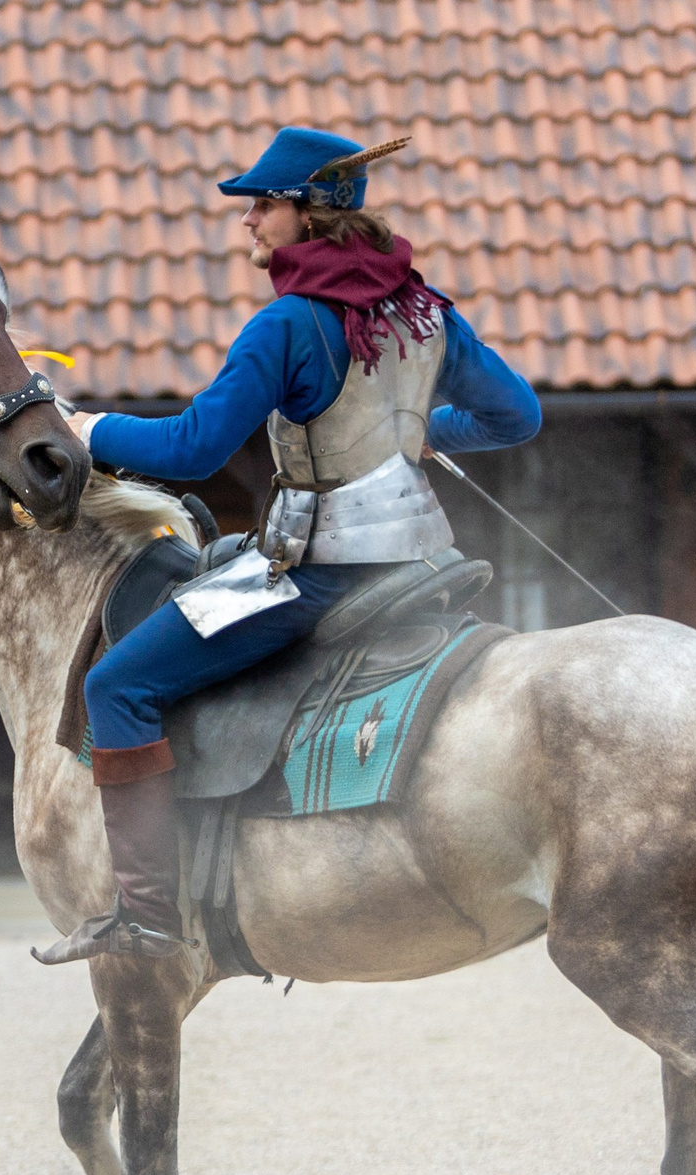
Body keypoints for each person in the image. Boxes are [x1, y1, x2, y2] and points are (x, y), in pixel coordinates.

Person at [38, 127, 541, 964]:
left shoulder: (287, 327)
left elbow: (195, 448)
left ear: (315, 213)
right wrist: (410, 435)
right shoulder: (426, 310)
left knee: (116, 683)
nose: (249, 221)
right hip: (418, 561)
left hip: (319, 577)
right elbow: (516, 415)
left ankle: (150, 916)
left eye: (265, 203)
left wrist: (86, 428)